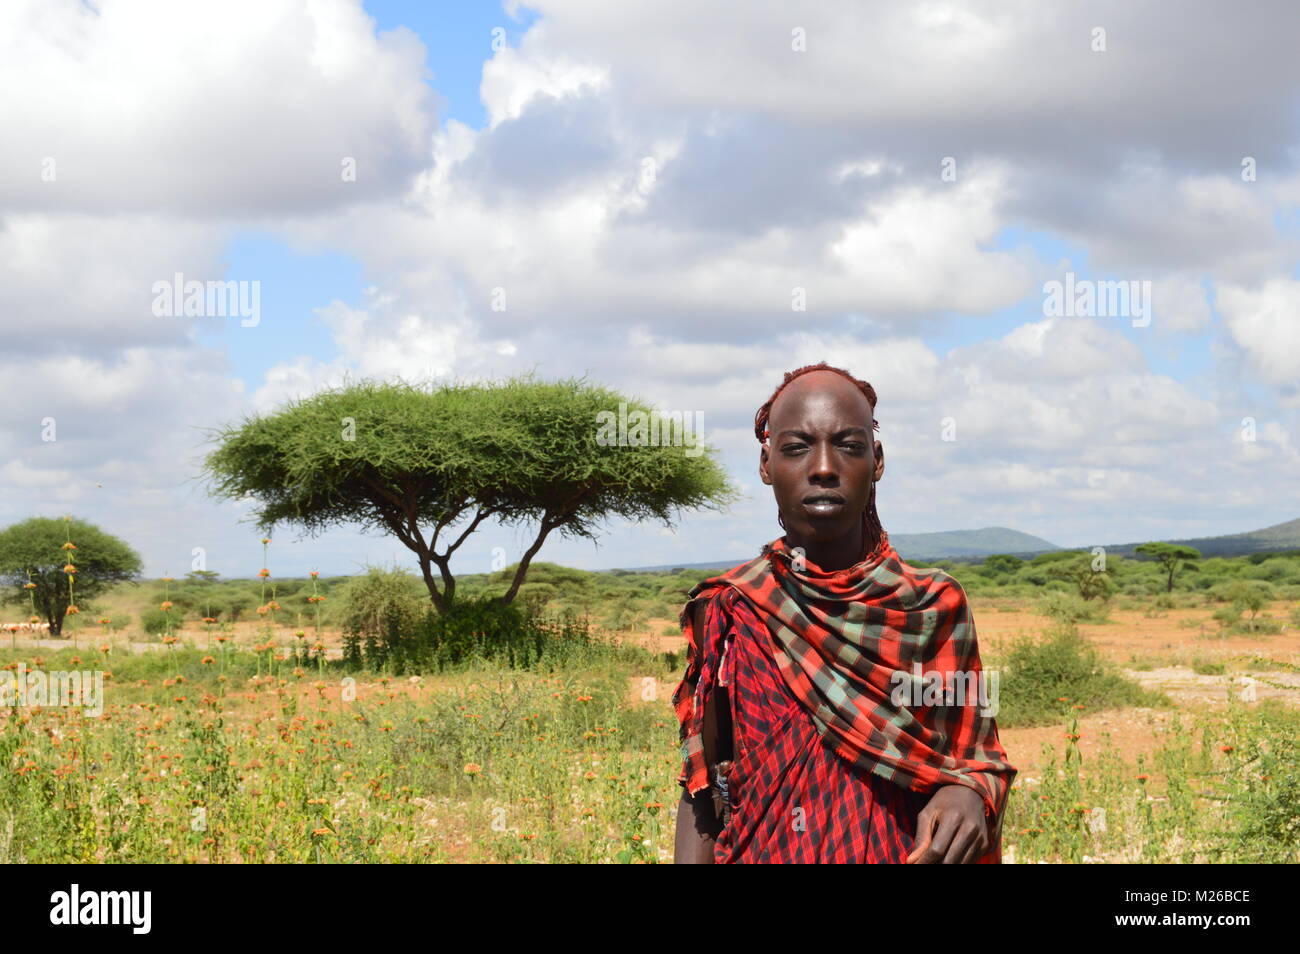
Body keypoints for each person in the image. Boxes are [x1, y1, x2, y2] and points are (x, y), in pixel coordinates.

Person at [672, 362, 1016, 864]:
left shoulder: (932, 606)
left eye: (849, 445)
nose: (824, 467)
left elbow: (978, 761)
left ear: (876, 460)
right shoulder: (733, 608)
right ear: (766, 465)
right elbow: (704, 787)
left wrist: (968, 793)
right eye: (797, 447)